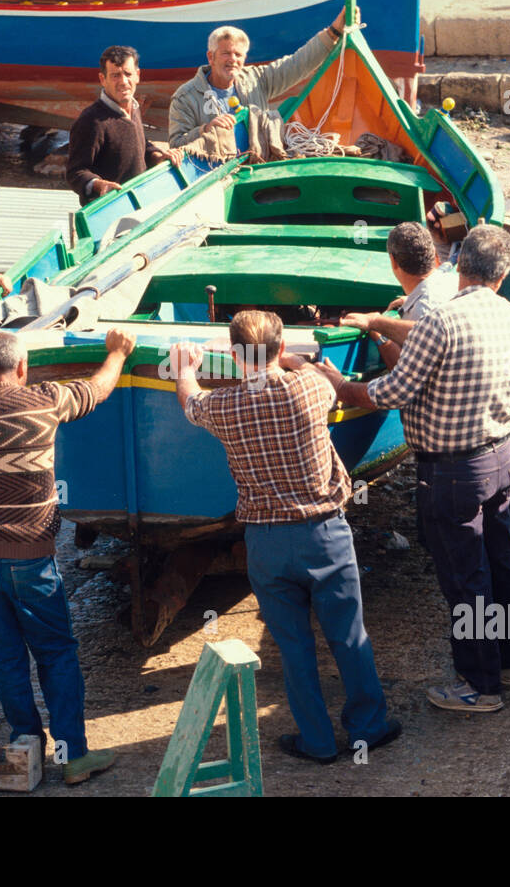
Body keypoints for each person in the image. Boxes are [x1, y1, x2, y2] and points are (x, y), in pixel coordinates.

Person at [171, 312, 399, 764]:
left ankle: (316, 741)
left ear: (237, 355)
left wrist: (184, 370)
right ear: (279, 349)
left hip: (267, 542)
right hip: (325, 533)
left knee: (293, 647)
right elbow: (317, 377)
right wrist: (289, 359)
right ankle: (369, 727)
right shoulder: (312, 388)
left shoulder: (225, 408)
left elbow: (191, 403)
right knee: (349, 636)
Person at [315, 225, 510, 713]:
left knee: (465, 578)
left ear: (459, 262)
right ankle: (508, 664)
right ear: (503, 272)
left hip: (453, 472)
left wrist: (339, 384)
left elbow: (391, 392)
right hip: (501, 458)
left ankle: (479, 685)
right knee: (500, 563)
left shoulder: (443, 321)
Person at [0, 327, 136, 784]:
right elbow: (97, 389)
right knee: (55, 653)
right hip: (30, 557)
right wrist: (117, 353)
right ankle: (71, 757)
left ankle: (25, 747)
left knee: (4, 656)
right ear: (24, 369)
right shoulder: (44, 401)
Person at [167, 8, 356, 148]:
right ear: (211, 56)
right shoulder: (186, 97)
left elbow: (298, 64)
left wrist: (334, 32)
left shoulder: (256, 80)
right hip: (216, 173)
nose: (233, 60)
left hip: (259, 165)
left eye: (238, 55)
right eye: (226, 53)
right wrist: (205, 129)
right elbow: (176, 144)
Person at [66, 45, 175, 205]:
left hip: (138, 204)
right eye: (115, 75)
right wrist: (99, 185)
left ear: (137, 75)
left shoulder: (134, 108)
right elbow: (75, 172)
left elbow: (140, 145)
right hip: (108, 210)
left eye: (128, 74)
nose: (123, 82)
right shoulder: (91, 121)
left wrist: (158, 156)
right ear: (103, 79)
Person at [339, 221, 457, 367]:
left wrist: (377, 328)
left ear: (393, 261)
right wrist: (411, 300)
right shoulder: (451, 282)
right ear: (434, 253)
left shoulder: (423, 311)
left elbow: (410, 378)